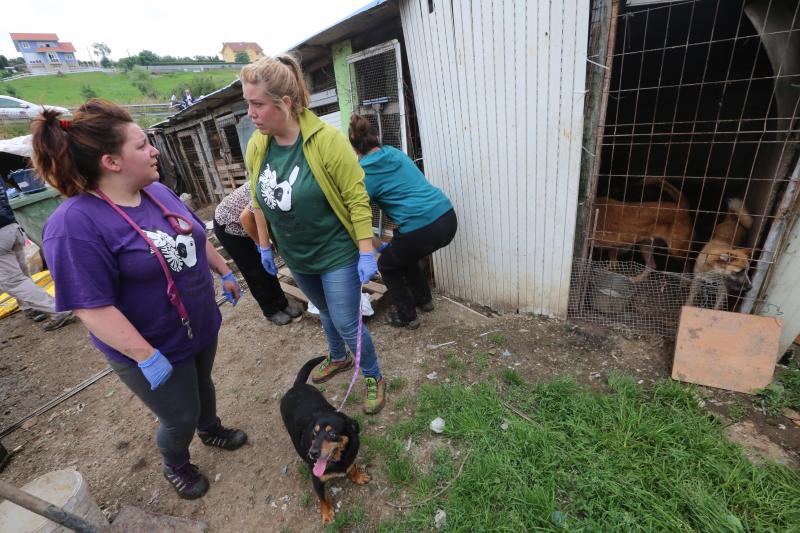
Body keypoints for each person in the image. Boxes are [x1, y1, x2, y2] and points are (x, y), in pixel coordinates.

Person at [32, 99, 247, 500]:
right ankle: (176, 463)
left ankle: (210, 428)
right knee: (178, 413)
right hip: (152, 346)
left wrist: (224, 270)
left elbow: (193, 236)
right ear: (111, 161)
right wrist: (146, 355)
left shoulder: (159, 191)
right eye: (142, 145)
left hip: (198, 323)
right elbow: (90, 306)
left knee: (203, 385)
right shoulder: (74, 224)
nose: (154, 150)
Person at [241, 55, 387, 414]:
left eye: (257, 104)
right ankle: (337, 357)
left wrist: (366, 250)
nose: (250, 113)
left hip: (335, 252)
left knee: (346, 320)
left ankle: (373, 374)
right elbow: (257, 199)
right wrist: (263, 245)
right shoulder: (258, 145)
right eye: (248, 103)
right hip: (296, 254)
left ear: (285, 103)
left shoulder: (327, 141)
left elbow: (357, 199)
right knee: (321, 308)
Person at [348, 114, 457, 329]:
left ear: (354, 148)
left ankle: (407, 316)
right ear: (376, 137)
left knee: (387, 265)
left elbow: (358, 216)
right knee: (403, 256)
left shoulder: (363, 173)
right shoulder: (395, 153)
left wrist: (376, 245)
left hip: (421, 229)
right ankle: (423, 300)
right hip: (447, 217)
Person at [212, 181, 302, 325]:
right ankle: (270, 310)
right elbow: (246, 218)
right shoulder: (267, 188)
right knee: (254, 270)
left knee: (268, 267)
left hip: (249, 222)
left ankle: (282, 303)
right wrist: (262, 245)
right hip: (229, 225)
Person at [0, 185, 74, 331]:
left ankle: (56, 309)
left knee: (13, 282)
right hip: (11, 226)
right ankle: (32, 307)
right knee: (22, 275)